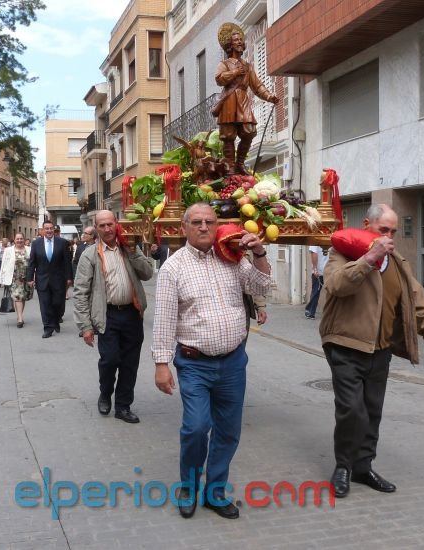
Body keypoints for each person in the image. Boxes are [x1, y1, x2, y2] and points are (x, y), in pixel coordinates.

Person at [153, 203, 271, 520]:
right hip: (194, 364)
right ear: (184, 228)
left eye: (209, 221)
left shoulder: (232, 257)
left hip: (233, 363)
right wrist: (161, 364)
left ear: (217, 225)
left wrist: (258, 252)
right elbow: (164, 319)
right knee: (196, 428)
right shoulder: (173, 268)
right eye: (196, 222)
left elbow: (261, 286)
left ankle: (215, 492)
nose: (204, 227)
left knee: (229, 431)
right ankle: (189, 487)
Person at [320, 204, 424, 499]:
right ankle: (343, 467)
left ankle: (363, 467)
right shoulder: (342, 252)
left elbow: (415, 297)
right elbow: (335, 285)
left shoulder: (397, 261)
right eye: (383, 230)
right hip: (346, 344)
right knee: (352, 409)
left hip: (381, 349)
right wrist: (368, 259)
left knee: (372, 410)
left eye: (393, 232)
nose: (389, 237)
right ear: (367, 225)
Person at [73, 210, 154, 423]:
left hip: (132, 314)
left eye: (110, 224)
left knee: (130, 363)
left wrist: (133, 251)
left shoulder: (130, 248)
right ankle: (105, 392)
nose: (107, 229)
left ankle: (123, 406)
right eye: (102, 226)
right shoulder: (90, 254)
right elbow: (80, 292)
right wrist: (85, 326)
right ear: (96, 229)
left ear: (116, 224)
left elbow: (147, 274)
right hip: (107, 315)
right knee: (109, 360)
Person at [214, 23, 278, 174]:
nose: (240, 42)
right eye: (236, 40)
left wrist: (269, 96)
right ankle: (230, 165)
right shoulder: (224, 64)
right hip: (229, 101)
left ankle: (240, 163)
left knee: (249, 132)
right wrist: (235, 72)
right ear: (230, 45)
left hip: (243, 100)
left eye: (241, 40)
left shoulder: (248, 66)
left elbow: (257, 86)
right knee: (228, 135)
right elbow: (219, 79)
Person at [26, 220, 72, 338]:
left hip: (59, 279)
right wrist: (30, 278)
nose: (49, 230)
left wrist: (69, 277)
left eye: (51, 228)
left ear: (54, 230)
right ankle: (48, 327)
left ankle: (56, 320)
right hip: (42, 279)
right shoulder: (36, 244)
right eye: (46, 228)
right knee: (45, 304)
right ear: (42, 230)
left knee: (58, 303)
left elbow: (67, 262)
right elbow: (32, 262)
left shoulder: (62, 243)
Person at [0, 233, 32, 327]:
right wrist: (1, 280)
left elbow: (33, 263)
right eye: (17, 239)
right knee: (18, 297)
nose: (19, 240)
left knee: (23, 297)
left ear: (24, 239)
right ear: (14, 240)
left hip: (26, 278)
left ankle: (19, 315)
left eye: (21, 238)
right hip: (14, 278)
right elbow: (4, 264)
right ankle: (20, 318)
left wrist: (33, 276)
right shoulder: (8, 250)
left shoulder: (29, 249)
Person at [304, 246, 329, 319]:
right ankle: (310, 311)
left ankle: (310, 312)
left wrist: (315, 269)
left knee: (316, 292)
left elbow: (314, 253)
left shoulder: (315, 241)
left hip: (324, 271)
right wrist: (315, 269)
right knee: (316, 291)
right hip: (323, 271)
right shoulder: (316, 242)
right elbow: (314, 253)